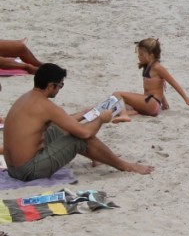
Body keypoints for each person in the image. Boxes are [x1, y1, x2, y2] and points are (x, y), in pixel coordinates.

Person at [2, 63, 154, 180]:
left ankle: (97, 157)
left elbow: (57, 122)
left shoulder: (26, 99)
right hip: (28, 171)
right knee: (79, 138)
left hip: (13, 168)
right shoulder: (46, 105)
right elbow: (85, 134)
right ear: (50, 86)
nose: (60, 89)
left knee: (58, 129)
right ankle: (125, 166)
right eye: (60, 86)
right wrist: (102, 119)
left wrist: (81, 115)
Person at [108, 38, 189, 121]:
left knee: (117, 94)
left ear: (151, 55)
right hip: (150, 105)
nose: (138, 57)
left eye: (141, 54)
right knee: (122, 104)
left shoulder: (158, 67)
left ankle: (124, 115)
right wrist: (164, 104)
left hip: (152, 103)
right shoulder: (147, 66)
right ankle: (128, 113)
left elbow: (173, 83)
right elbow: (157, 87)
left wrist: (187, 99)